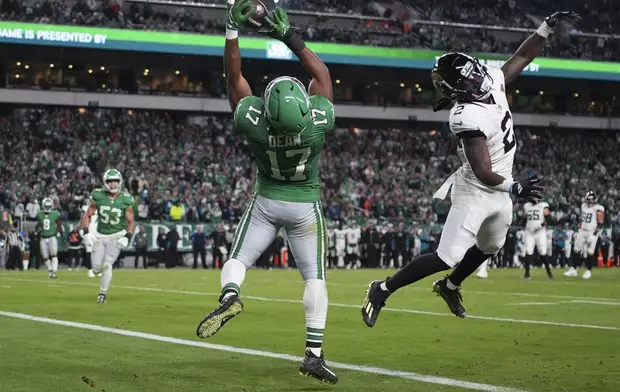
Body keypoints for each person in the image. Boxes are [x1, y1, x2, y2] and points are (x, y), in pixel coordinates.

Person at [360, 10, 580, 325]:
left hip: (500, 187)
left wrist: (545, 27)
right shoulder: (465, 116)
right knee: (447, 255)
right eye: (471, 80)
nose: (480, 81)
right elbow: (481, 171)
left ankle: (449, 285)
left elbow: (522, 55)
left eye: (476, 74)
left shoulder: (490, 81)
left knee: (491, 244)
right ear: (458, 91)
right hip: (477, 189)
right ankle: (382, 288)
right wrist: (515, 187)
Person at [196, 2, 337, 384]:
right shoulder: (318, 123)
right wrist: (288, 35)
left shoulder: (253, 122)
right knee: (315, 279)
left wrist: (231, 30)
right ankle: (313, 353)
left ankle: (229, 296)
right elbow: (321, 73)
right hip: (305, 206)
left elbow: (233, 77)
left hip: (267, 202)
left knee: (239, 259)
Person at [81, 169, 135, 304]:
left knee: (107, 265)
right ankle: (99, 279)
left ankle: (102, 293)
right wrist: (86, 232)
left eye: (115, 181)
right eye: (110, 181)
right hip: (100, 235)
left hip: (116, 235)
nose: (112, 184)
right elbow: (87, 215)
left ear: (120, 182)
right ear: (105, 182)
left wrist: (127, 236)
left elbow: (131, 222)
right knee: (96, 268)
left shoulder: (125, 199)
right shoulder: (98, 195)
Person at [564, 191, 604, 279]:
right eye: (589, 199)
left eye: (592, 199)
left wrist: (594, 235)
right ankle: (574, 269)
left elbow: (600, 223)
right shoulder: (583, 206)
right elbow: (582, 219)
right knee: (576, 250)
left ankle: (588, 271)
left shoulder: (598, 208)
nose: (590, 201)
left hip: (592, 232)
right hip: (582, 231)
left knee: (590, 252)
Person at [522, 200, 553, 279]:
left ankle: (549, 273)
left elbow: (549, 219)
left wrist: (540, 225)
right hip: (529, 232)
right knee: (528, 251)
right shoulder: (527, 205)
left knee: (543, 252)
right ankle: (527, 274)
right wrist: (524, 226)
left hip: (540, 232)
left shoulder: (543, 205)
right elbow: (525, 219)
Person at [37, 198, 64, 278]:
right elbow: (39, 224)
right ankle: (50, 269)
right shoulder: (39, 214)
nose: (48, 208)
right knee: (45, 257)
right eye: (46, 206)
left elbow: (59, 225)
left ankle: (54, 272)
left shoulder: (56, 214)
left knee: (54, 255)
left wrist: (62, 234)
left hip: (52, 237)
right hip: (43, 237)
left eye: (49, 206)